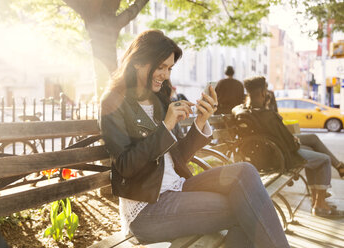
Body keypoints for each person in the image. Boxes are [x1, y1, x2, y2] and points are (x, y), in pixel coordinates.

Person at [100, 30, 290, 247]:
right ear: (138, 62)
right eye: (160, 66)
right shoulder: (114, 101)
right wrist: (166, 126)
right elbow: (125, 166)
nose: (165, 74)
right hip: (148, 208)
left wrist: (201, 121)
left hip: (178, 188)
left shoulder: (159, 99)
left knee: (245, 172)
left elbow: (178, 157)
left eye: (169, 68)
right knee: (247, 207)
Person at [232, 76, 344, 218]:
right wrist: (295, 141)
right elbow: (290, 144)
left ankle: (319, 200)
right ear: (263, 93)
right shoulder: (267, 115)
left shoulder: (245, 110)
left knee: (312, 142)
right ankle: (320, 205)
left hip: (269, 151)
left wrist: (293, 141)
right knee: (324, 159)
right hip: (278, 156)